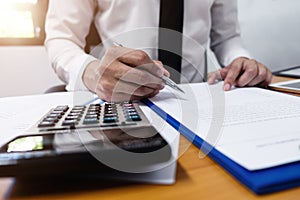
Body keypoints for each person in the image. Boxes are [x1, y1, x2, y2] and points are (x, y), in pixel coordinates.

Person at [45, 0, 272, 101]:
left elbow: (227, 37)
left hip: (197, 100)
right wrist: (93, 73)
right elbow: (61, 38)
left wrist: (239, 60)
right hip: (124, 102)